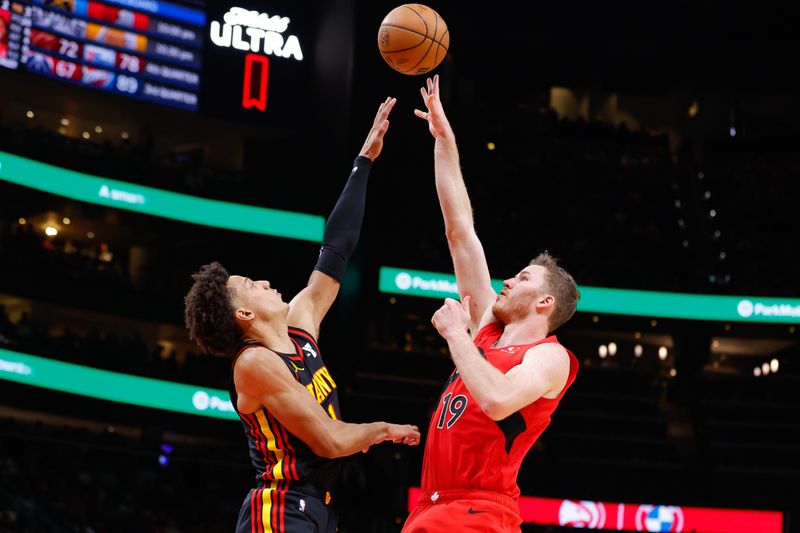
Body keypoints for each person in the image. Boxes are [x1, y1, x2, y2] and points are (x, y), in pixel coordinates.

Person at [184, 97, 420, 533]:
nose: (265, 283)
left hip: (317, 508)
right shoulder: (254, 364)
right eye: (252, 285)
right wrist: (383, 429)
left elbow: (335, 251)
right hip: (279, 508)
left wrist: (363, 162)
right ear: (244, 311)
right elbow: (330, 441)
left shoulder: (300, 325)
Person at [402, 75, 581, 532]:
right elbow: (460, 231)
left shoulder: (549, 357)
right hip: (430, 507)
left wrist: (457, 335)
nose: (506, 280)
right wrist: (445, 141)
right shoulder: (487, 331)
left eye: (521, 278)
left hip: (479, 513)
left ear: (544, 301)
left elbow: (499, 400)